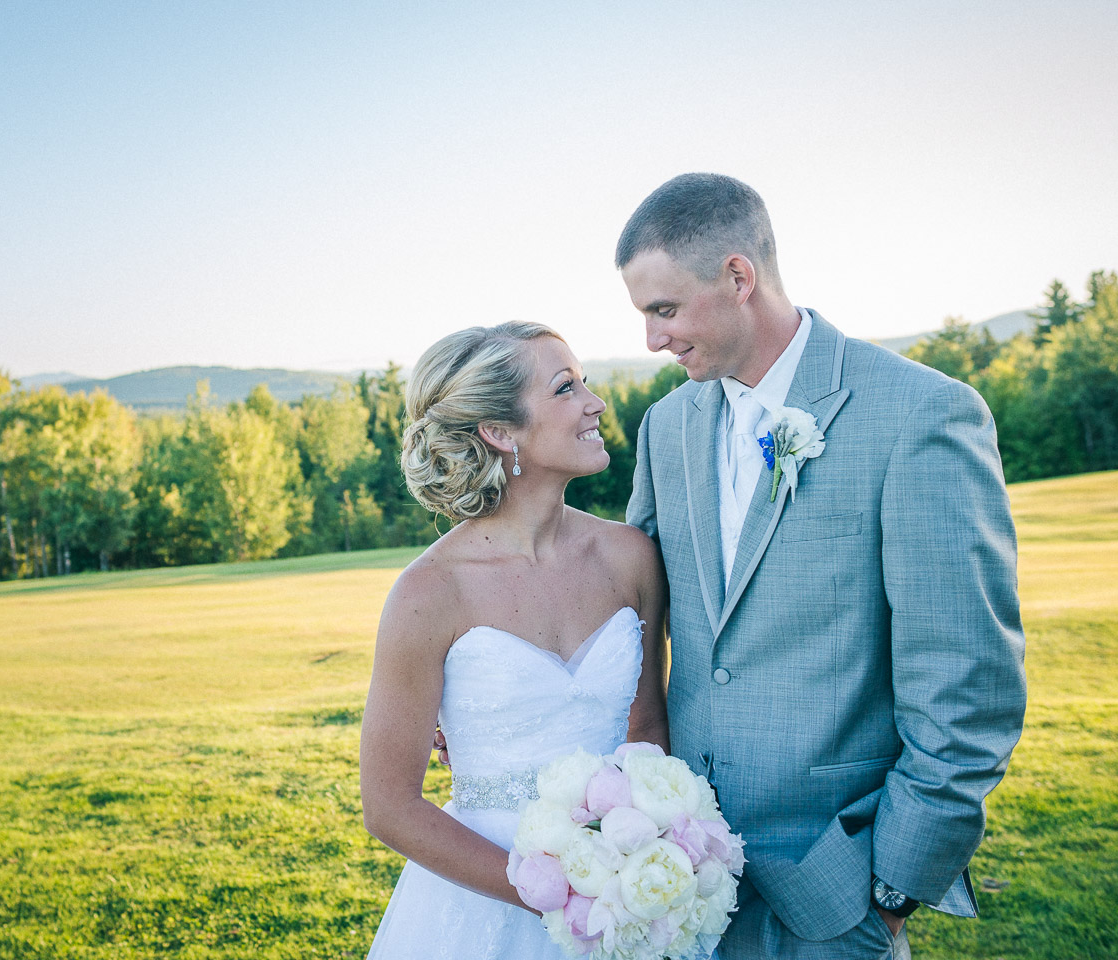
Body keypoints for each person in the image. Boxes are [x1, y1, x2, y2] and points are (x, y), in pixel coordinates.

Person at [616, 173, 1027, 960]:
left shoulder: (919, 414)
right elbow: (627, 603)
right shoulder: (666, 427)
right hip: (677, 879)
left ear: (739, 277)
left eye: (663, 309)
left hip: (837, 888)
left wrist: (895, 890)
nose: (652, 340)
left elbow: (967, 680)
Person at [359, 321, 672, 959]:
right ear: (499, 433)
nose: (595, 404)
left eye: (585, 381)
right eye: (565, 389)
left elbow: (648, 725)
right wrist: (555, 893)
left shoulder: (631, 558)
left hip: (628, 885)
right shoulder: (428, 595)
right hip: (486, 897)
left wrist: (635, 864)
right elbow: (389, 804)